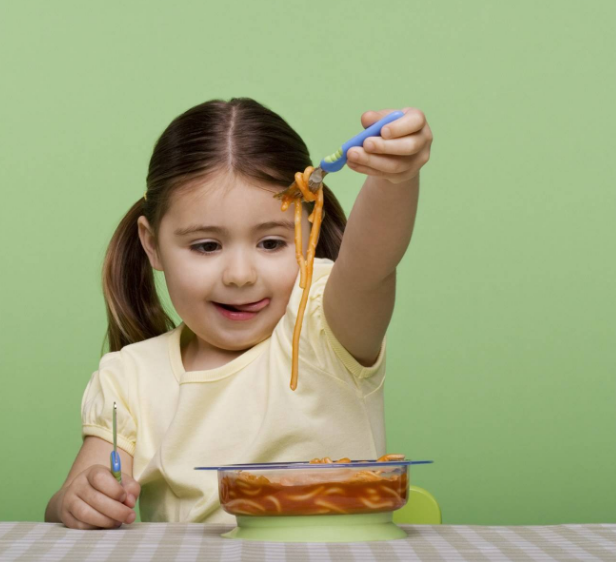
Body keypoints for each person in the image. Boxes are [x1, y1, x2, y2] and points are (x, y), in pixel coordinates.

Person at [45, 98, 433, 529]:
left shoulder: (324, 326)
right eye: (206, 246)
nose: (240, 275)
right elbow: (76, 496)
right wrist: (77, 500)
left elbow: (371, 264)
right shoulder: (129, 377)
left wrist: (395, 181)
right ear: (152, 244)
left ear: (309, 232)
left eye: (271, 243)